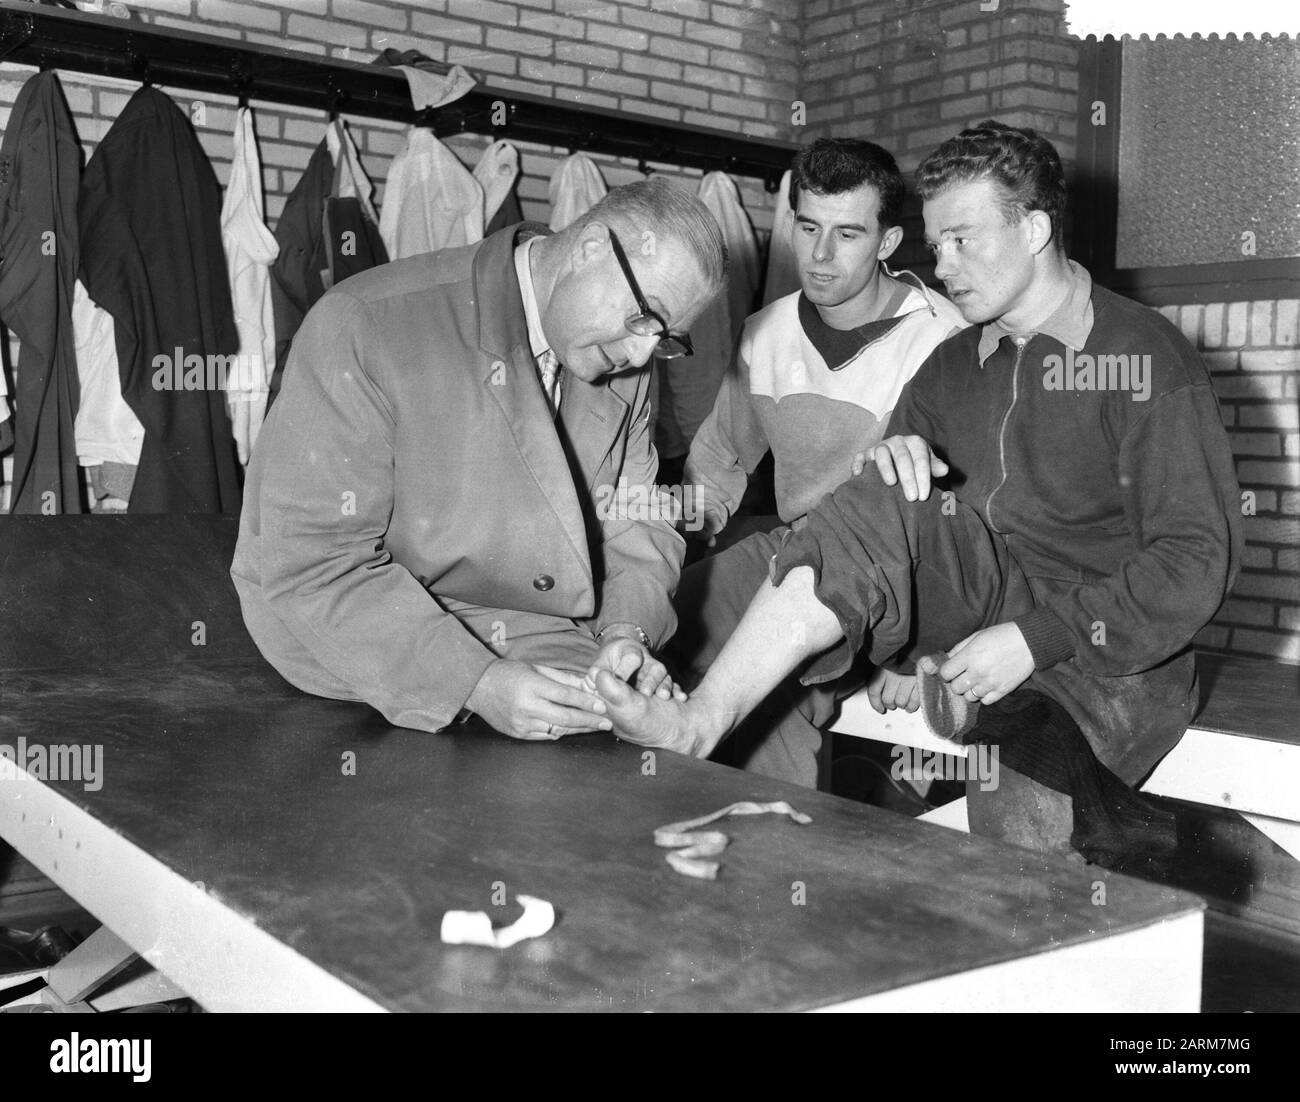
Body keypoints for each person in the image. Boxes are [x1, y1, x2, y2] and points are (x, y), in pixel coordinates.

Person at [593, 121, 1242, 859]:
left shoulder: (1141, 354)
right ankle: (701, 721)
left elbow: (1196, 560)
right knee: (868, 494)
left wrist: (1034, 641)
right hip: (980, 607)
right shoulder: (950, 365)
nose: (945, 265)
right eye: (937, 246)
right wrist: (907, 635)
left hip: (1113, 655)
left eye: (964, 240)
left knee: (1024, 842)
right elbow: (874, 527)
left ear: (1033, 230)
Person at [232, 178, 727, 741]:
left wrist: (626, 635)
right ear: (591, 248)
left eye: (665, 338)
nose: (642, 353)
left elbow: (635, 518)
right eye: (644, 317)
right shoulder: (365, 321)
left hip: (531, 629)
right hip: (361, 631)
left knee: (657, 758)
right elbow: (312, 564)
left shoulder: (623, 360)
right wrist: (476, 683)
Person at [673, 137, 967, 787]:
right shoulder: (766, 331)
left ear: (888, 243)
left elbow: (964, 523)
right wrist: (658, 548)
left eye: (848, 234)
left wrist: (919, 649)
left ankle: (774, 852)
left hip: (885, 583)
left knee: (771, 700)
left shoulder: (944, 341)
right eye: (808, 228)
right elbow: (719, 460)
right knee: (651, 626)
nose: (821, 256)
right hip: (785, 550)